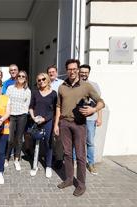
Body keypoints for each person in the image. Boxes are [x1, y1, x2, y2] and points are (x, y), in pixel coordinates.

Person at [54, 59, 105, 197]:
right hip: (64, 123)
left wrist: (93, 110)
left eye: (74, 69)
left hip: (79, 125)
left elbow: (101, 102)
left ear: (78, 69)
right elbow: (58, 106)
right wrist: (56, 124)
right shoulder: (62, 87)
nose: (72, 71)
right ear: (66, 70)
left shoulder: (86, 86)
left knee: (81, 156)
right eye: (69, 69)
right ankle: (69, 179)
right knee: (67, 154)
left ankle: (81, 184)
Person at [29, 73, 57, 178]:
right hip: (36, 121)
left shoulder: (53, 94)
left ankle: (48, 166)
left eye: (43, 79)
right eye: (39, 80)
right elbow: (31, 107)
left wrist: (44, 119)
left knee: (48, 144)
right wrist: (33, 118)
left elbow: (54, 110)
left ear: (48, 79)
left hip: (48, 121)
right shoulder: (35, 93)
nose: (41, 81)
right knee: (35, 143)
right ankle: (34, 166)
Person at [4, 70, 31, 171]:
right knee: (10, 138)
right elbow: (6, 101)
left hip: (22, 116)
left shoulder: (27, 91)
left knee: (19, 139)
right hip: (11, 116)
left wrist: (22, 113)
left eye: (23, 76)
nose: (20, 77)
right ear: (16, 77)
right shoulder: (10, 88)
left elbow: (26, 105)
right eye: (19, 76)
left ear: (25, 79)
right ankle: (6, 158)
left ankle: (16, 158)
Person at [79, 64, 102, 175]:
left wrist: (99, 117)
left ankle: (91, 163)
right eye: (82, 72)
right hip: (77, 118)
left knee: (90, 142)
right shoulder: (75, 85)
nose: (83, 74)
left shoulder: (94, 85)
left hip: (91, 119)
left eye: (86, 72)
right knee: (76, 140)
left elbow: (100, 102)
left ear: (89, 73)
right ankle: (75, 161)